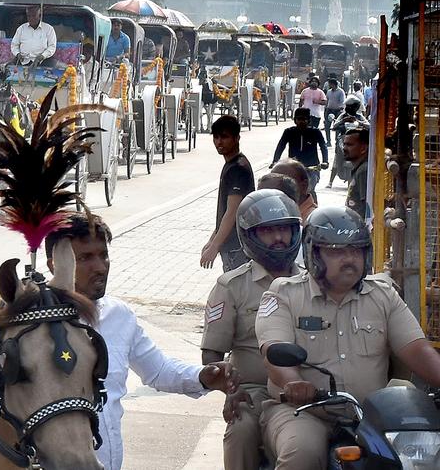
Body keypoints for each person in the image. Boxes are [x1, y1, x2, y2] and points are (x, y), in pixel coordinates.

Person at [256, 207, 440, 470]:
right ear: (313, 254)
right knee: (302, 453)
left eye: (356, 250)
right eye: (336, 251)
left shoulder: (383, 295)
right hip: (303, 412)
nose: (349, 259)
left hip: (371, 415)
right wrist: (293, 383)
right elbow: (273, 352)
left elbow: (418, 350)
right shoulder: (283, 294)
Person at [45, 213, 234, 470]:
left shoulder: (119, 315)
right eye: (85, 258)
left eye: (103, 255)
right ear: (54, 265)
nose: (100, 267)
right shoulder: (33, 328)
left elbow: (158, 370)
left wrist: (203, 377)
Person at [201, 190, 303, 470]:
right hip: (252, 391)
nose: (279, 238)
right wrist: (229, 390)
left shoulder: (311, 283)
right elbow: (211, 353)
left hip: (303, 390)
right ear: (249, 236)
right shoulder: (231, 286)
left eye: (284, 229)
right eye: (268, 231)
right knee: (241, 429)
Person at [202, 115, 256, 271]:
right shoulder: (232, 165)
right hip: (232, 246)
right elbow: (225, 212)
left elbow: (232, 211)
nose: (219, 142)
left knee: (236, 285)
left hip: (236, 247)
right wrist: (212, 240)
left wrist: (215, 246)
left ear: (237, 138)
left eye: (224, 137)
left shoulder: (238, 168)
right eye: (216, 137)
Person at [271, 108, 328, 196]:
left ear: (308, 120)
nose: (301, 122)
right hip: (293, 168)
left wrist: (325, 161)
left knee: (309, 190)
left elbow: (323, 146)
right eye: (299, 119)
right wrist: (275, 161)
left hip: (312, 168)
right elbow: (280, 146)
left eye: (304, 119)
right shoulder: (289, 132)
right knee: (290, 191)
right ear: (295, 120)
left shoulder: (315, 132)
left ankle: (312, 203)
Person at [326, 97, 367, 188]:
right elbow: (334, 126)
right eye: (348, 106)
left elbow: (368, 125)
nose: (348, 108)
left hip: (356, 140)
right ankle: (330, 182)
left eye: (351, 106)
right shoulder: (343, 115)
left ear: (356, 107)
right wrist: (343, 120)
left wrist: (359, 122)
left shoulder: (359, 116)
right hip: (343, 139)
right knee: (336, 159)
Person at [343, 126, 370, 220]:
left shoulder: (364, 170)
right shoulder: (360, 169)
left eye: (349, 145)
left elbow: (367, 206)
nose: (344, 148)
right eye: (344, 144)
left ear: (363, 148)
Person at [322, 78, 345, 145]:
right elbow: (327, 101)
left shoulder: (341, 92)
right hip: (329, 110)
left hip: (338, 111)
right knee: (327, 125)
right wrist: (325, 109)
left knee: (337, 127)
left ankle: (337, 141)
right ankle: (328, 141)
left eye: (330, 84)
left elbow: (342, 102)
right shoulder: (329, 92)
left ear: (333, 84)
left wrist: (341, 109)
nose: (329, 85)